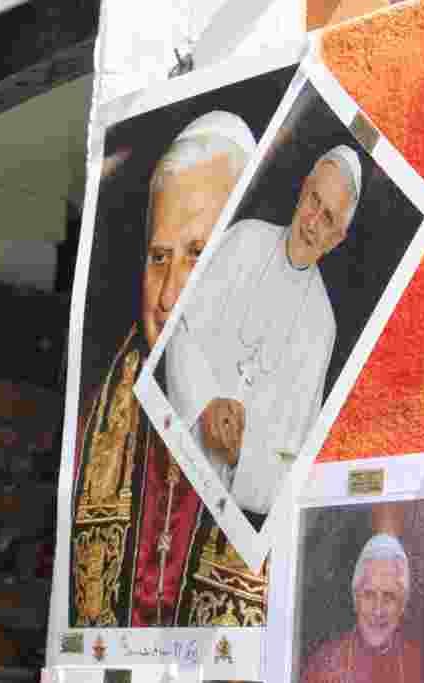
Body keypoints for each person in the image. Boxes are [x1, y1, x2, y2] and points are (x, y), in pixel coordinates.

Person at [70, 111, 266, 628]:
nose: (170, 294)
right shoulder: (96, 409)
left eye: (198, 255)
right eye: (159, 258)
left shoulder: (295, 396)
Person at [165, 145, 361, 525]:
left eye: (328, 218)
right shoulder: (244, 239)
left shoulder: (323, 328)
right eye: (313, 200)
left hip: (223, 517)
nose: (311, 222)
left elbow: (293, 464)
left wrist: (243, 455)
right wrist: (204, 403)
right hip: (170, 456)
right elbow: (179, 326)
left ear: (338, 237)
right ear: (302, 189)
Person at [300, 535, 424, 683]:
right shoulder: (323, 666)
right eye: (369, 595)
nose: (378, 610)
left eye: (389, 596)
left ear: (402, 605)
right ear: (355, 599)